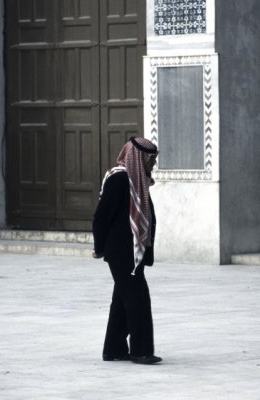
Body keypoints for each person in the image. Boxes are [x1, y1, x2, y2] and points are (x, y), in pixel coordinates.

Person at [92, 137, 161, 365]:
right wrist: (99, 247)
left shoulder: (137, 180)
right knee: (138, 299)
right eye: (150, 159)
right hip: (122, 252)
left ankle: (114, 349)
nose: (152, 164)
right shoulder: (120, 179)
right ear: (139, 157)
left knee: (122, 300)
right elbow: (102, 216)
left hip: (133, 252)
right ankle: (140, 351)